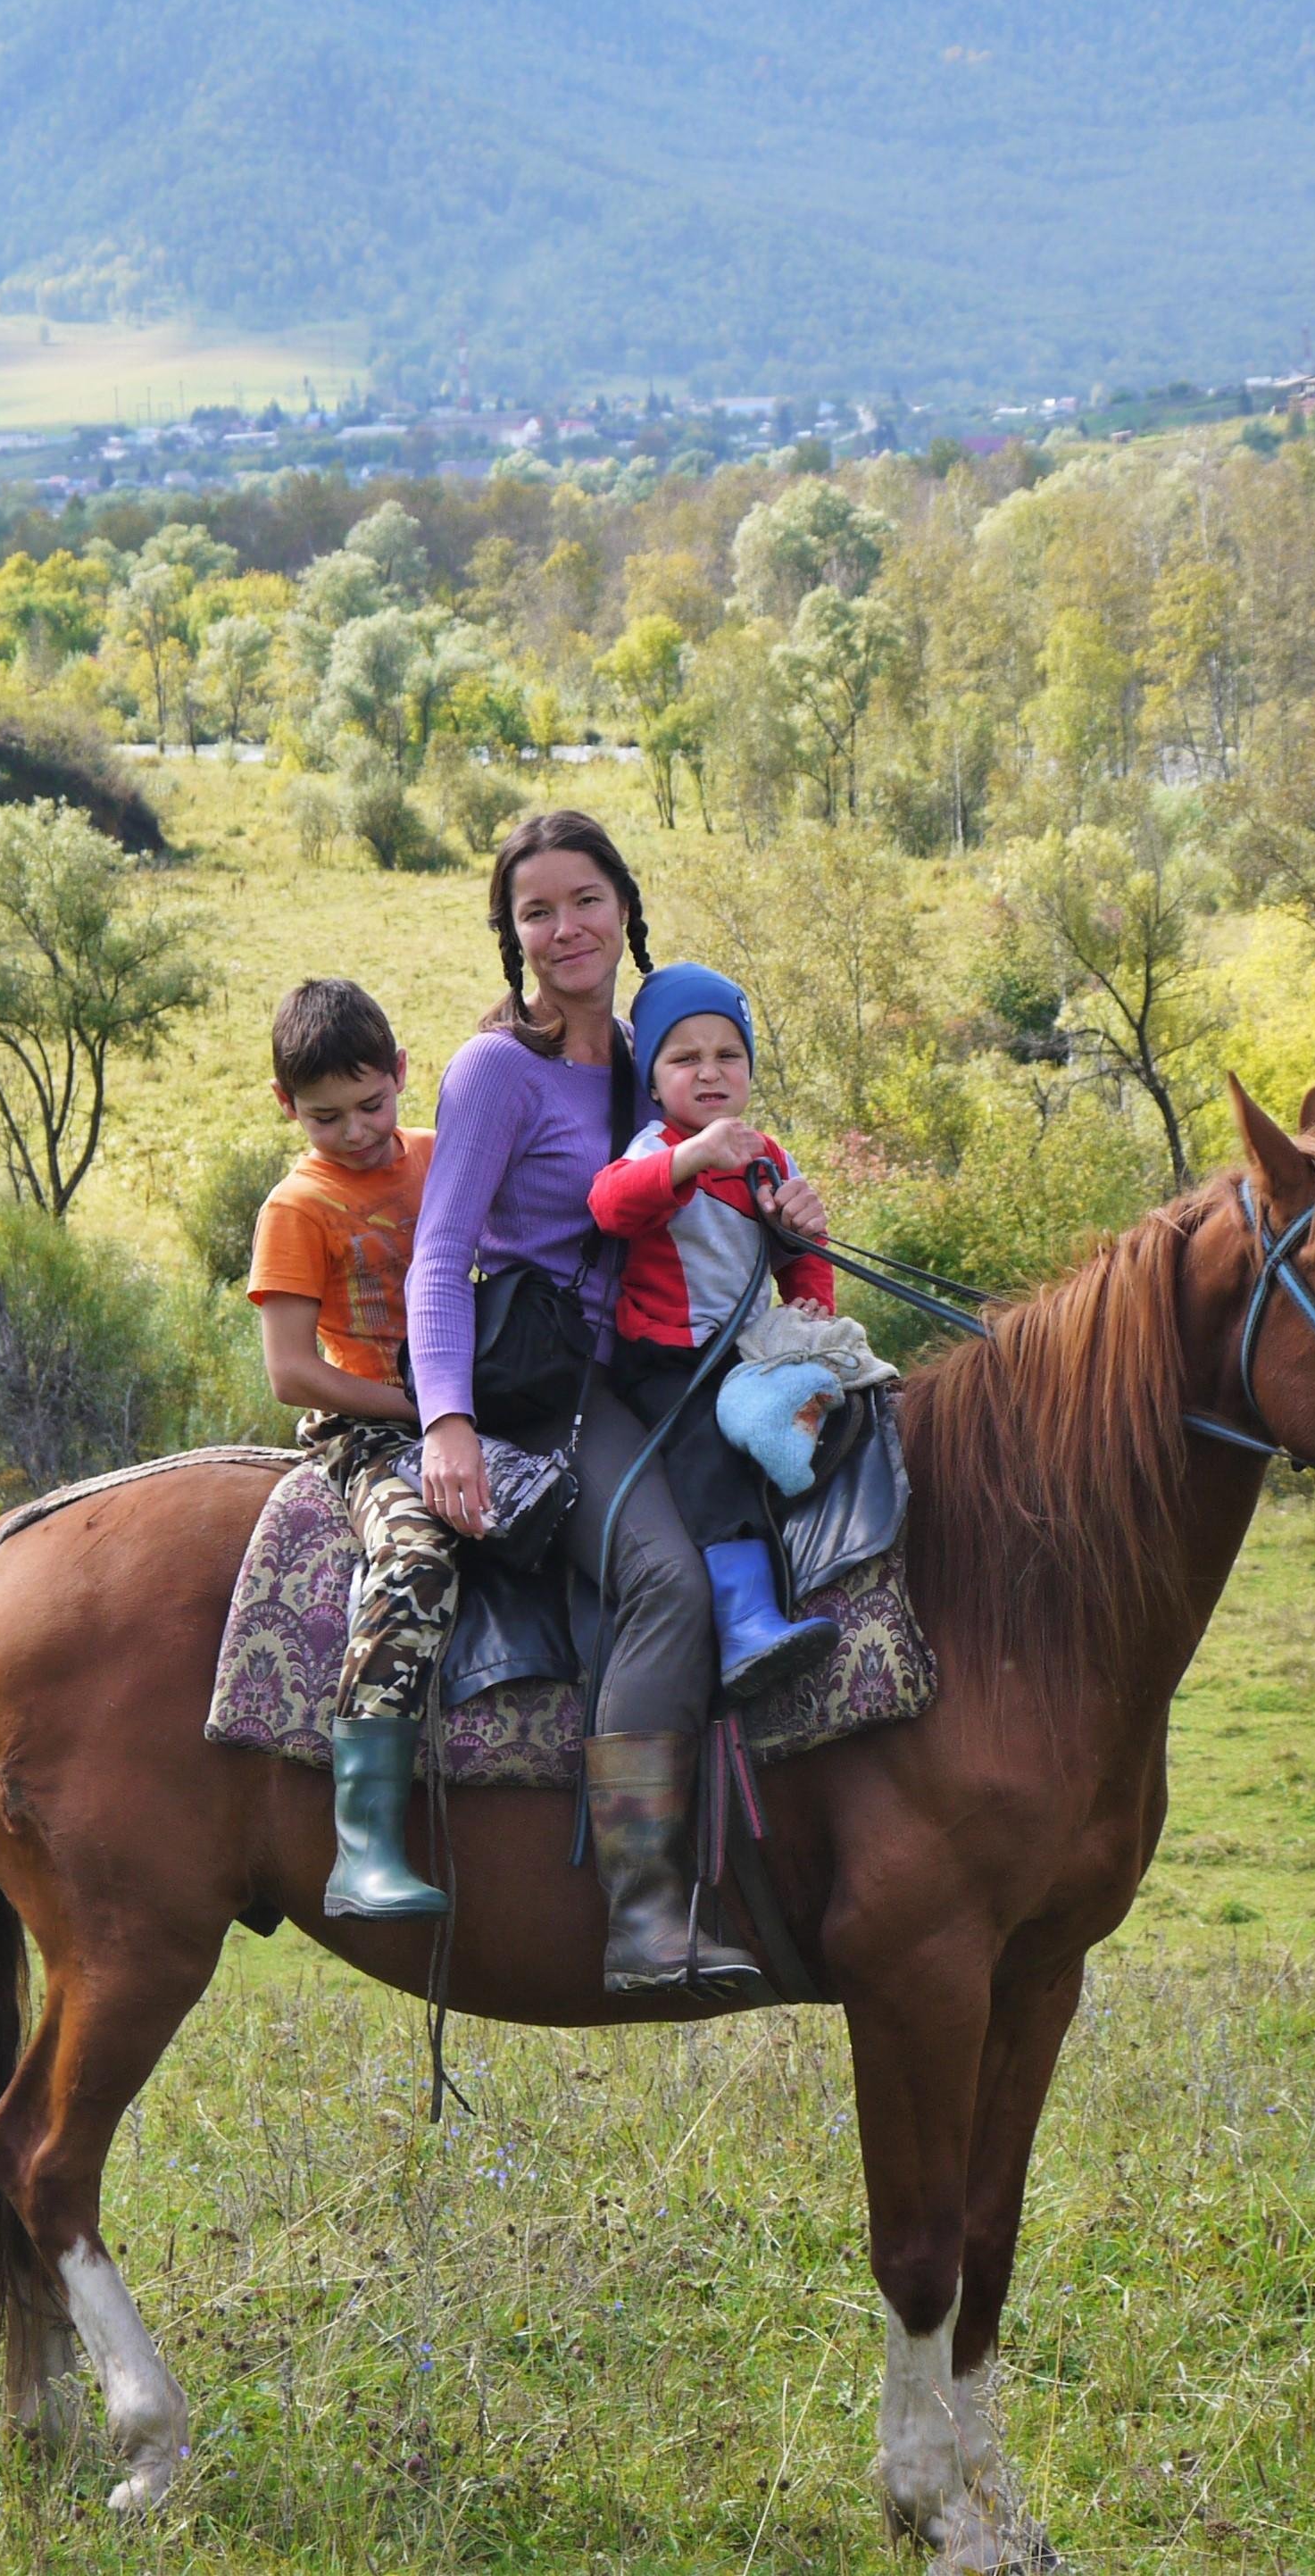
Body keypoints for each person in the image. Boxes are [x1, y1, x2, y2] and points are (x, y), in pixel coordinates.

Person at [409, 812, 829, 1996]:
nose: (566, 928)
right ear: (512, 934)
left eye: (586, 900)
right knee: (664, 1577)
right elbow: (439, 1260)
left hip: (657, 1370)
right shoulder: (499, 1072)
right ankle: (647, 1913)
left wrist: (795, 1232)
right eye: (536, 911)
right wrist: (446, 1421)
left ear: (626, 908)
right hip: (540, 1389)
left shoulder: (662, 1054)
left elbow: (721, 1200)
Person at [246, 978, 454, 1924]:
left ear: (403, 1074)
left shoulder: (440, 1158)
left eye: (373, 1105)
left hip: (472, 1401)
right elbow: (291, 1370)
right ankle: (363, 1838)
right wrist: (408, 1404)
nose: (359, 1131)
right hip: (366, 1420)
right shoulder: (299, 1205)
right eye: (328, 1117)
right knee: (414, 1557)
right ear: (286, 1106)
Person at [587, 962, 843, 1695]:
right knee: (709, 1455)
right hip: (667, 1360)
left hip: (746, 1352)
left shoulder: (767, 1155)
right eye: (684, 1058)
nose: (709, 1073)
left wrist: (809, 1294)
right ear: (653, 1074)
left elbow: (798, 1262)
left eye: (728, 1055)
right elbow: (612, 1207)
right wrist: (693, 1157)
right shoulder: (653, 1148)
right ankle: (744, 1623)